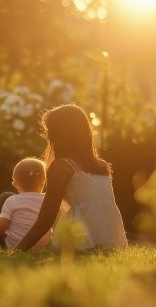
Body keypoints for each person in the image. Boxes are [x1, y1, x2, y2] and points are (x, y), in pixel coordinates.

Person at [14, 104, 128, 250]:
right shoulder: (101, 166)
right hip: (111, 243)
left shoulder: (62, 167)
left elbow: (45, 220)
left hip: (82, 243)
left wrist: (16, 251)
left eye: (49, 130)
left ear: (57, 134)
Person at [0, 158, 52, 249]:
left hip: (13, 247)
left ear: (15, 184)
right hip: (41, 248)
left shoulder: (12, 200)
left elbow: (1, 225)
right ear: (43, 182)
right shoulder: (49, 200)